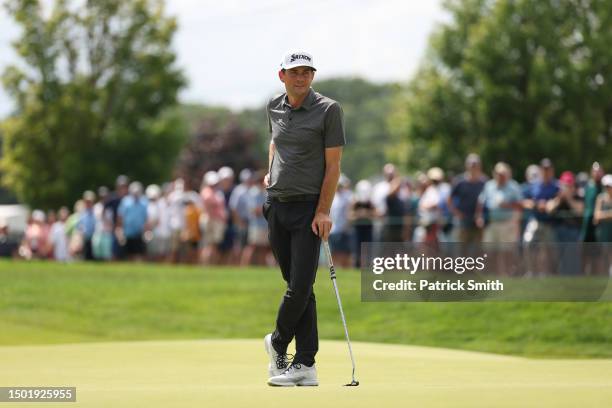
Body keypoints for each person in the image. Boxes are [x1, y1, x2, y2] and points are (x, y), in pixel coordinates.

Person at [263, 51, 345, 387]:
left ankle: (278, 341)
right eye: (295, 72)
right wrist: (269, 173)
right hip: (276, 205)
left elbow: (334, 166)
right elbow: (275, 142)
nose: (302, 78)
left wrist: (324, 210)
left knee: (300, 286)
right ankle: (305, 366)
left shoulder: (329, 110)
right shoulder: (273, 106)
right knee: (299, 287)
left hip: (309, 209)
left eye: (307, 72)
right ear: (282, 75)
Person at [448, 153, 487, 243]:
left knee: (479, 249)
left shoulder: (484, 181)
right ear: (467, 165)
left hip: (480, 221)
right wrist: (457, 213)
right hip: (463, 220)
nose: (473, 166)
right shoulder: (459, 181)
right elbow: (449, 199)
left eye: (475, 164)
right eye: (471, 164)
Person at [117, 182, 148, 261]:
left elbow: (146, 217)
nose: (136, 194)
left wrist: (146, 230)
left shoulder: (144, 202)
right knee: (128, 254)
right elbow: (120, 216)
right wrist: (120, 229)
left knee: (139, 254)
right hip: (128, 232)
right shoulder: (125, 201)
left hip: (139, 232)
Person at [329, 174, 353, 267]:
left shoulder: (348, 196)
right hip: (333, 230)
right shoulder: (333, 197)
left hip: (344, 230)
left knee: (345, 254)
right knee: (334, 254)